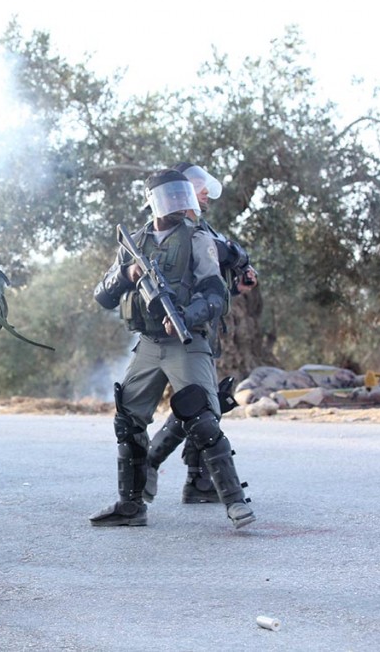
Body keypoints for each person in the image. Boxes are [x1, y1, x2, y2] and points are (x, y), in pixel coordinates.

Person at [91, 169, 255, 529]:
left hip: (187, 339)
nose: (179, 205)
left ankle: (234, 502)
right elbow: (102, 295)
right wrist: (127, 275)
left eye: (182, 197)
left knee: (201, 416)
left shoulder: (198, 238)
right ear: (154, 202)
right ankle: (131, 506)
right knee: (128, 418)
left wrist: (185, 314)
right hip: (149, 344)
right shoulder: (133, 242)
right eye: (172, 198)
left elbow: (215, 293)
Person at [144, 162, 258, 504]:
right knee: (200, 404)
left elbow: (209, 284)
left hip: (202, 327)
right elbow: (222, 249)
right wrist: (239, 256)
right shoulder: (173, 226)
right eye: (198, 184)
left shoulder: (197, 225)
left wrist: (238, 282)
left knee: (207, 403)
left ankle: (198, 481)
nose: (205, 191)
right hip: (176, 331)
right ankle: (151, 462)